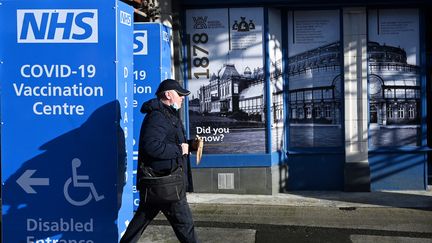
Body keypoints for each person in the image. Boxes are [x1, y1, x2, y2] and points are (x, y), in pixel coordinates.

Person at [120, 79, 200, 243]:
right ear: (168, 95)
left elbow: (170, 142)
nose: (182, 98)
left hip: (161, 183)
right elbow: (151, 146)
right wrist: (180, 149)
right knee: (186, 227)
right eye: (180, 95)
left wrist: (191, 145)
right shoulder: (158, 117)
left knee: (140, 222)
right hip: (167, 183)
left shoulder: (167, 115)